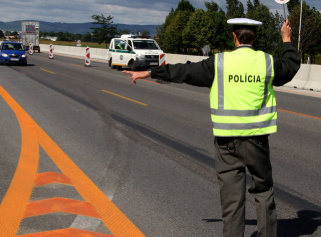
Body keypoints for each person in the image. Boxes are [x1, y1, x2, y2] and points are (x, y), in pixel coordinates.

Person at [124, 18, 301, 237]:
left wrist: (151, 72)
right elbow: (291, 66)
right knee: (264, 191)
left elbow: (185, 72)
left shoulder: (218, 63)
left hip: (226, 143)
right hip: (257, 141)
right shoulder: (266, 62)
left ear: (234, 36)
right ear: (254, 37)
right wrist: (286, 39)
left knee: (232, 200)